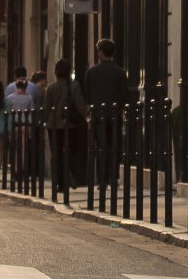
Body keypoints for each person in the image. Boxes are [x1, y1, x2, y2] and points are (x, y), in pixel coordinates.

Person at [82, 40, 133, 198]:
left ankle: (102, 180)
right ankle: (114, 177)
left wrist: (91, 112)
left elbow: (87, 94)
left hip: (98, 116)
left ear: (100, 52)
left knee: (101, 147)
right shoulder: (120, 72)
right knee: (115, 146)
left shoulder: (91, 72)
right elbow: (125, 95)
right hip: (114, 115)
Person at [40, 57, 88, 195]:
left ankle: (61, 182)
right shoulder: (75, 86)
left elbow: (46, 107)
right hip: (71, 125)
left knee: (57, 153)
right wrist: (88, 116)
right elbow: (80, 105)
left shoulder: (51, 88)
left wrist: (42, 121)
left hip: (54, 125)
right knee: (70, 152)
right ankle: (69, 173)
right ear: (69, 71)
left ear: (56, 72)